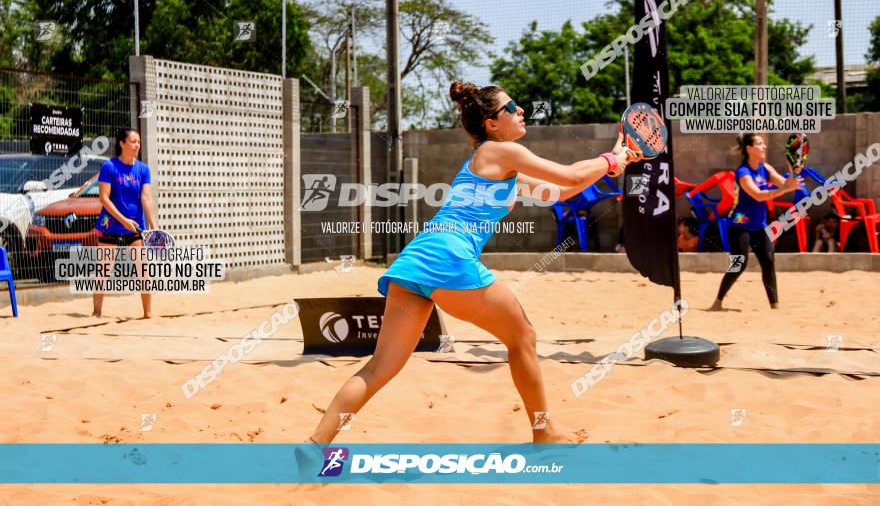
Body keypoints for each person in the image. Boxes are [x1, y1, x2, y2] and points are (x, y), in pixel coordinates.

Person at [306, 81, 639, 444]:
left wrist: (611, 162)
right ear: (492, 124)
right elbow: (570, 174)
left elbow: (561, 190)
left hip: (415, 259)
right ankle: (544, 434)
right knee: (523, 336)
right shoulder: (502, 152)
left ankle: (314, 444)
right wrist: (610, 161)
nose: (521, 111)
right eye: (512, 108)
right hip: (450, 257)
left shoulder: (494, 164)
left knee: (379, 367)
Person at [709, 134, 802, 311]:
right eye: (760, 144)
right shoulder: (743, 173)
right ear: (749, 149)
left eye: (764, 143)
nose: (764, 146)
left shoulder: (765, 168)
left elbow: (785, 183)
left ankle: (775, 306)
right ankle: (718, 302)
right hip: (739, 226)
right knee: (739, 264)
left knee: (768, 262)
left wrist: (792, 167)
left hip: (760, 225)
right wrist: (785, 188)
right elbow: (759, 196)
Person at [92, 128, 157, 319]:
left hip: (135, 225)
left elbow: (146, 198)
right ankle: (96, 313)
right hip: (110, 223)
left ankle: (148, 314)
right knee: (104, 268)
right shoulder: (109, 167)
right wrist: (123, 220)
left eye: (139, 142)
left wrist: (153, 225)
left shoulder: (143, 169)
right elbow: (104, 199)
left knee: (143, 268)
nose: (137, 145)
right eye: (133, 141)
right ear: (122, 143)